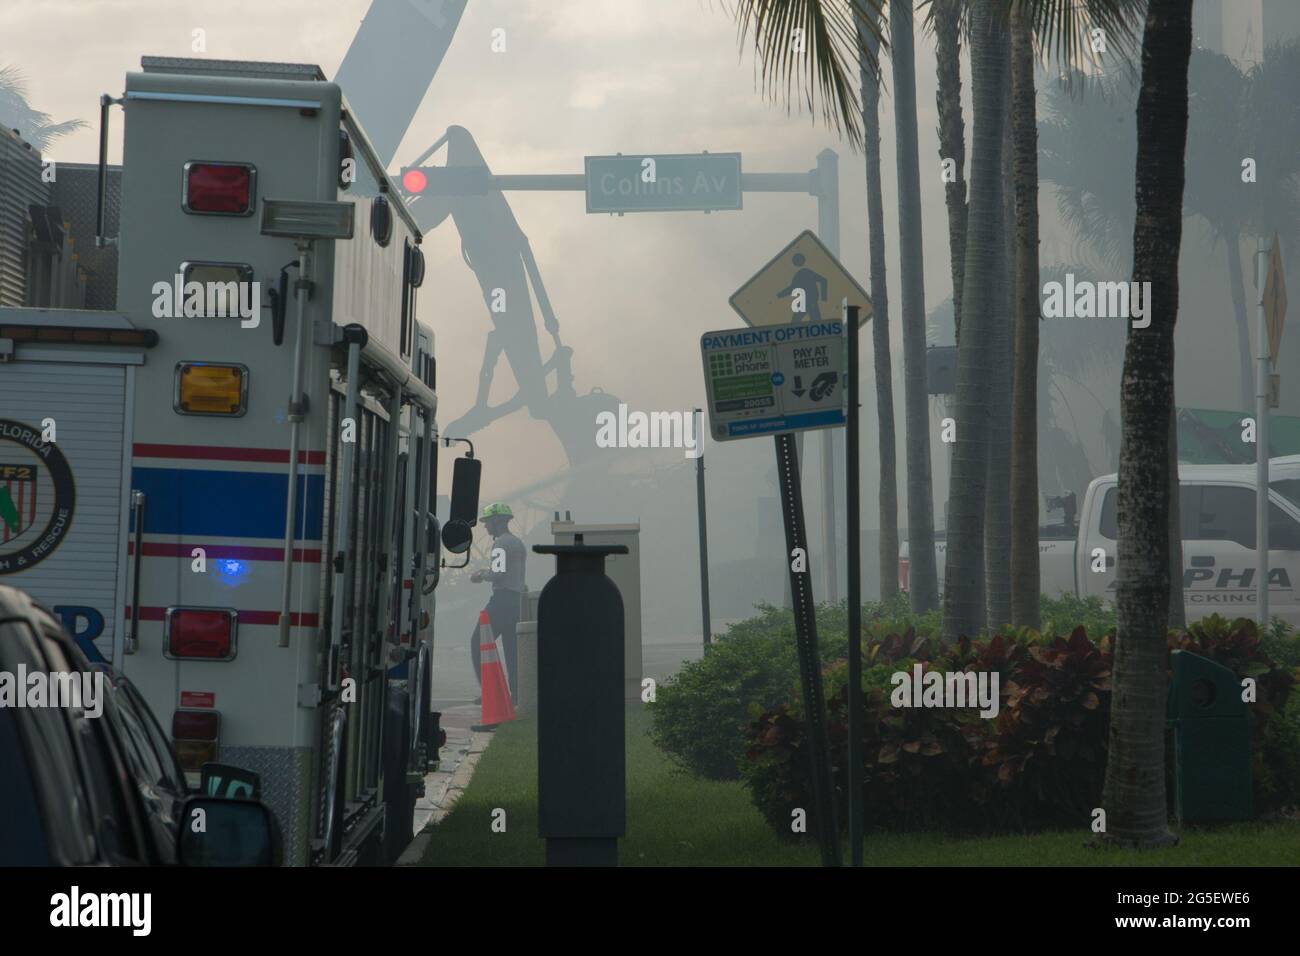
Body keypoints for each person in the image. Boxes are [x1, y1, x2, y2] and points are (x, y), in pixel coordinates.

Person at [469, 503, 526, 701]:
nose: (485, 527)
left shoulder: (501, 544)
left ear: (497, 521)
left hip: (501, 601)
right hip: (517, 602)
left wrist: (480, 574)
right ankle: (517, 696)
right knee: (512, 651)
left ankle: (490, 693)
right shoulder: (518, 543)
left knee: (478, 642)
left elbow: (498, 573)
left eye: (487, 522)